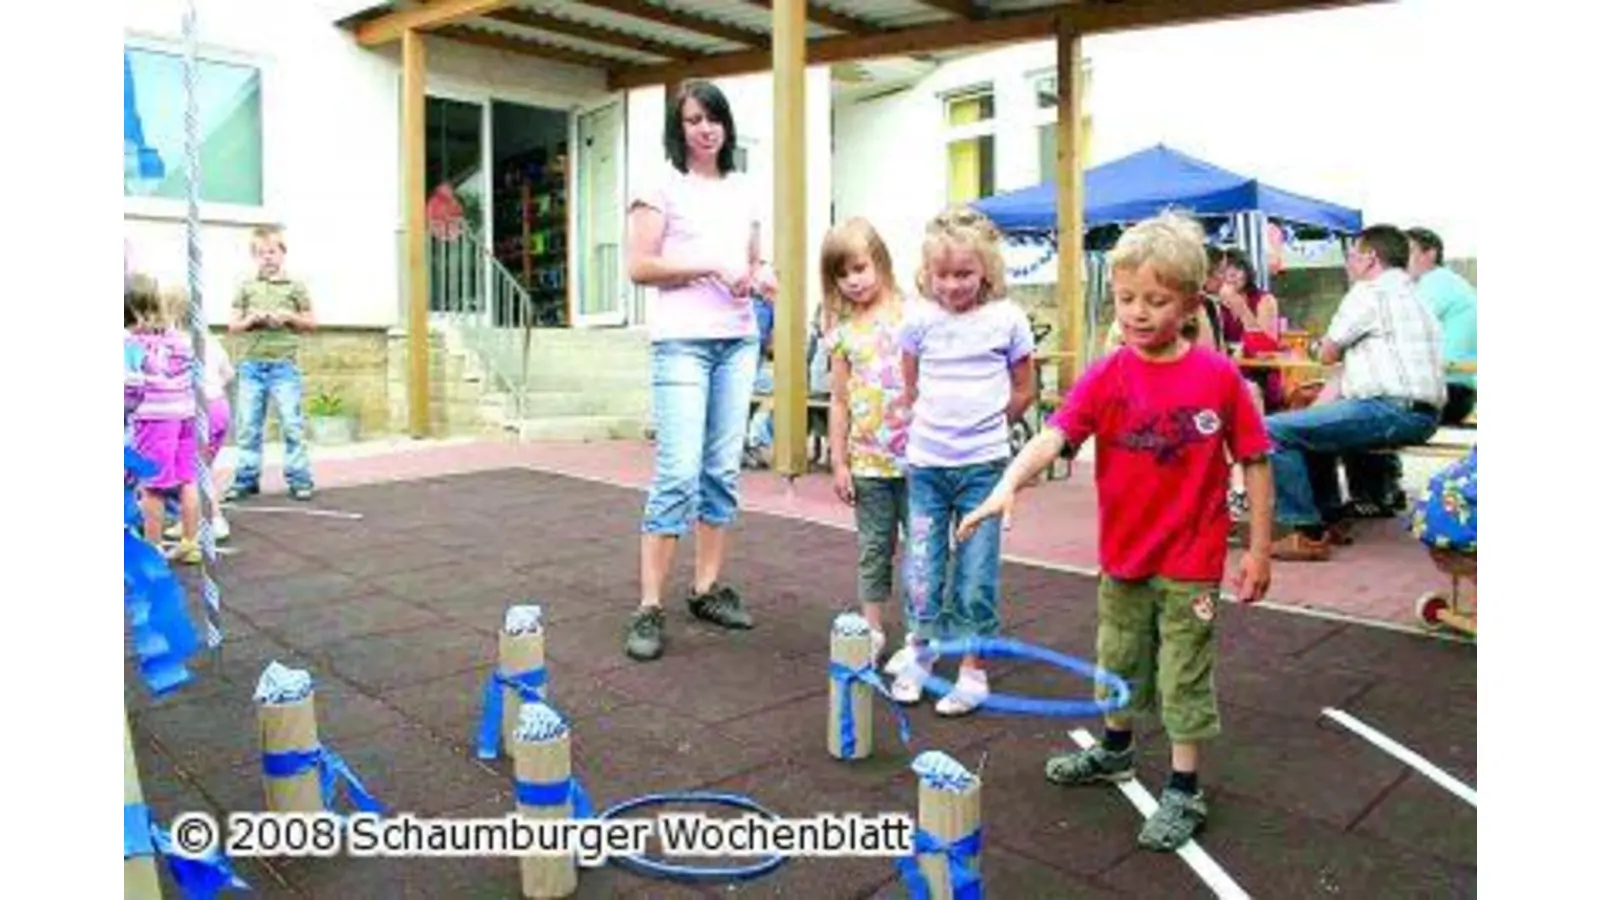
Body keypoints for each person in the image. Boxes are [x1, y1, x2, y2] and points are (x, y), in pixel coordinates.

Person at [957, 210, 1274, 852]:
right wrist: (1007, 482)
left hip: (1192, 560)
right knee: (1118, 657)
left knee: (1183, 671)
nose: (1135, 313)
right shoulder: (1109, 374)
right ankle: (1115, 750)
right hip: (1123, 556)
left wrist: (1260, 550)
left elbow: (1256, 461)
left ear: (1188, 305)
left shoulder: (1218, 379)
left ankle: (1184, 787)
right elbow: (1056, 434)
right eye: (1125, 298)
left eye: (1154, 301)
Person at [622, 80, 774, 662]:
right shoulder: (661, 186)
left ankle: (706, 588)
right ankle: (649, 606)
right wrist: (710, 263)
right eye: (692, 120)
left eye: (713, 118)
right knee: (678, 474)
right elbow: (639, 266)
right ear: (678, 129)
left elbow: (755, 261)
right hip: (683, 342)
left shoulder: (743, 189)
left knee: (720, 472)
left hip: (737, 340)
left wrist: (764, 277)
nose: (705, 128)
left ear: (726, 126)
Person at [888, 207, 1036, 716]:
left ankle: (973, 670)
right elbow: (910, 384)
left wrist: (992, 426)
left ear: (986, 273)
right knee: (923, 567)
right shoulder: (917, 318)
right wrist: (919, 418)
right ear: (926, 274)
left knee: (975, 573)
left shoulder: (1007, 319)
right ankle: (923, 650)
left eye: (964, 274)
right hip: (927, 468)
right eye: (942, 275)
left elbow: (1025, 388)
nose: (952, 286)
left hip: (983, 470)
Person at [1267, 225, 1445, 561]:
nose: (1348, 262)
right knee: (1309, 427)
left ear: (1369, 258)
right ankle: (1331, 519)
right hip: (1424, 414)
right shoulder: (1418, 297)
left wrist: (1320, 346)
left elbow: (1326, 354)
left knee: (1272, 429)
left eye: (1351, 254)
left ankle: (1306, 531)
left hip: (1389, 409)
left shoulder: (1368, 293)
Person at [821, 217, 912, 667]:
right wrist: (839, 462)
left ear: (880, 261)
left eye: (860, 268)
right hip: (869, 464)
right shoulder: (842, 333)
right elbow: (838, 401)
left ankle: (921, 635)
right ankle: (873, 629)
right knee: (875, 548)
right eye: (843, 273)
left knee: (923, 550)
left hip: (920, 463)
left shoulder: (911, 315)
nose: (853, 281)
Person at [224, 225, 318, 502]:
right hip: (251, 366)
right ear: (254, 256)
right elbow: (233, 325)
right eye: (261, 253)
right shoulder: (245, 286)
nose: (268, 257)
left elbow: (311, 322)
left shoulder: (295, 286)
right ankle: (246, 479)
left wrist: (289, 317)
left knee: (292, 424)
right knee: (248, 426)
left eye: (273, 252)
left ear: (282, 254)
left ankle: (300, 478)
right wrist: (251, 320)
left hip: (283, 367)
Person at [128, 275, 204, 564]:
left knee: (152, 485)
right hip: (184, 414)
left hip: (155, 418)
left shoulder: (133, 343)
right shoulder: (183, 340)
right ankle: (190, 541)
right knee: (187, 478)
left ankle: (153, 547)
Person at [161, 289, 235, 543]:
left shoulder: (172, 343)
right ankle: (189, 519)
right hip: (220, 408)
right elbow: (229, 374)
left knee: (191, 473)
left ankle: (214, 520)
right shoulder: (209, 340)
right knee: (199, 469)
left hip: (196, 412)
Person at [1406, 227, 1477, 425]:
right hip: (1456, 393)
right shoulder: (1448, 281)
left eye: (1409, 252)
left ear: (1431, 254)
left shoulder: (1435, 283)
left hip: (1442, 393)